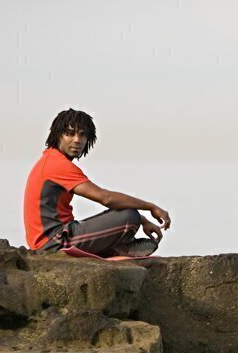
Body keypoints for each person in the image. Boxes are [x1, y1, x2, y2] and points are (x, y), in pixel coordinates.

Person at [23, 108, 171, 257]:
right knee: (129, 215)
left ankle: (115, 248)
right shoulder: (56, 164)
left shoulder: (51, 160)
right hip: (53, 243)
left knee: (129, 215)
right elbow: (106, 198)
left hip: (56, 237)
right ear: (57, 136)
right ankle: (117, 248)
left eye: (82, 135)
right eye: (70, 133)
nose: (77, 140)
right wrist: (150, 207)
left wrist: (142, 219)